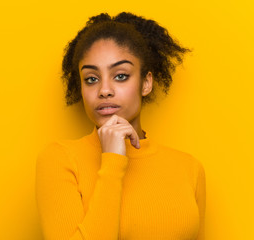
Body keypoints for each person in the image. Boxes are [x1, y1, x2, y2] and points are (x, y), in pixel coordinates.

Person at [35, 12, 206, 240]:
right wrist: (113, 161)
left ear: (145, 83)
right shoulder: (61, 159)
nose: (104, 90)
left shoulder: (189, 169)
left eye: (121, 76)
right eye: (91, 79)